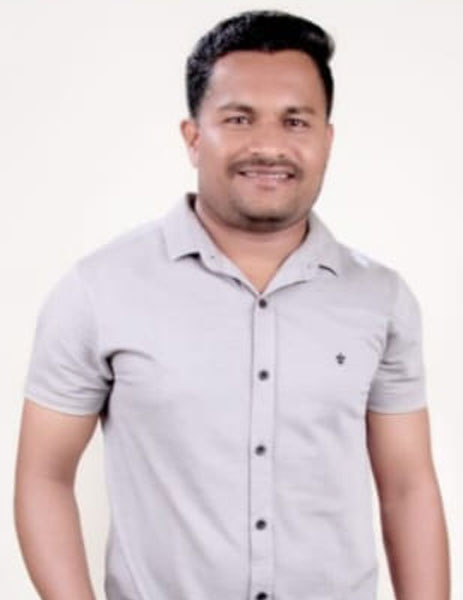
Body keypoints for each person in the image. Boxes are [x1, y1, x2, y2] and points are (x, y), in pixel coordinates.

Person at [14, 9, 450, 600]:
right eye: (239, 118)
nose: (268, 145)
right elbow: (43, 476)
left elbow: (407, 488)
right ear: (193, 137)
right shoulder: (99, 290)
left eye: (295, 121)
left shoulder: (381, 298)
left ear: (326, 139)